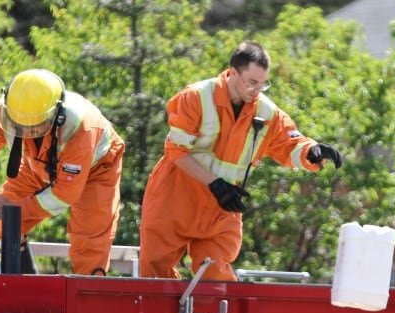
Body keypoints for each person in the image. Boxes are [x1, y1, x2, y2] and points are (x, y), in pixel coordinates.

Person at [139, 41, 343, 281]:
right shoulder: (195, 97)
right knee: (154, 280)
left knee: (216, 279)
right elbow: (177, 152)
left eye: (263, 83)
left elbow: (288, 144)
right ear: (233, 73)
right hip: (174, 201)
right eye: (252, 82)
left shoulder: (267, 113)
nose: (257, 89)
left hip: (221, 210)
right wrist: (215, 184)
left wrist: (312, 151)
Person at [0, 68, 126, 275]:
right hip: (37, 163)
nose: (25, 132)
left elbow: (64, 194)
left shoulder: (81, 128)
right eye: (18, 127)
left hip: (96, 172)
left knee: (89, 244)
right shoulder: (6, 112)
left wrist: (16, 210)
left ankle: (88, 297)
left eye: (33, 128)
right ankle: (22, 286)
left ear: (56, 115)